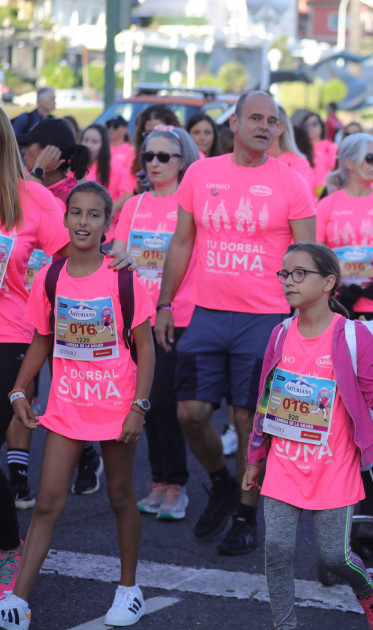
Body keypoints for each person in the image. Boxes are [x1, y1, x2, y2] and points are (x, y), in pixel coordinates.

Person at [155, 91, 316, 555]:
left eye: (273, 120)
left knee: (249, 421)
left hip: (264, 318)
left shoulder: (292, 182)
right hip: (205, 314)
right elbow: (182, 244)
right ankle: (222, 485)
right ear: (235, 121)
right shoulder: (202, 173)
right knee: (190, 413)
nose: (266, 126)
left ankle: (246, 514)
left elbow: (307, 258)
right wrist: (165, 304)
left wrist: (307, 318)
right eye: (256, 118)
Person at [245, 243, 373, 630]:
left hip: (334, 464)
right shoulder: (278, 335)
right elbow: (266, 401)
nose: (289, 282)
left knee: (334, 557)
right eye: (284, 274)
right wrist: (255, 458)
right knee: (275, 549)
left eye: (299, 274)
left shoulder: (353, 337)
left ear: (329, 282)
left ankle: (369, 589)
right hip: (284, 463)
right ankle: (284, 625)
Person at [2, 181, 156, 629]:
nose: (83, 222)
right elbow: (41, 339)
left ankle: (129, 591)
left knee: (121, 495)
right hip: (67, 404)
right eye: (76, 213)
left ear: (108, 223)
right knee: (48, 501)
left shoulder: (124, 277)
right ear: (65, 218)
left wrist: (138, 408)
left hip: (116, 403)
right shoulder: (51, 276)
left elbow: (145, 349)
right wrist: (18, 389)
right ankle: (18, 600)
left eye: (94, 214)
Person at [112, 126, 199, 521]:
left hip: (174, 317)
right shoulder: (134, 205)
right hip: (133, 319)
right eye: (150, 156)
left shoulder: (188, 203)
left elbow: (190, 262)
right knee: (140, 402)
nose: (156, 164)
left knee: (163, 402)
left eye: (165, 157)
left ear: (182, 162)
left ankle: (176, 484)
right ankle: (159, 481)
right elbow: (116, 253)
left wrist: (168, 304)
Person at [0, 107, 69, 589]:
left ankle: (7, 548)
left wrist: (117, 261)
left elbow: (72, 261)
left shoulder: (34, 199)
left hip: (11, 339)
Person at [318, 133, 373, 319]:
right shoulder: (326, 205)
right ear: (349, 163)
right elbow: (316, 259)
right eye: (370, 158)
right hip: (336, 302)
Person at [17, 119, 92, 203]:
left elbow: (33, 209)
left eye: (28, 145)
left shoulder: (69, 196)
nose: (23, 151)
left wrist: (38, 172)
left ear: (50, 152)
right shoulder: (26, 178)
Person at [268, 106, 315, 193]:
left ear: (279, 128)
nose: (261, 126)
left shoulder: (298, 165)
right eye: (255, 119)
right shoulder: (248, 161)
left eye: (269, 122)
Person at [299, 111, 339, 193]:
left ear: (321, 126)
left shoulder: (330, 147)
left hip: (324, 193)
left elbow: (336, 172)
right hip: (304, 193)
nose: (310, 127)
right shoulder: (298, 148)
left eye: (314, 124)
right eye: (306, 125)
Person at [81, 124, 112, 192]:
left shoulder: (115, 170)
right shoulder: (71, 167)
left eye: (94, 142)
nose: (88, 145)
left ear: (103, 146)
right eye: (85, 140)